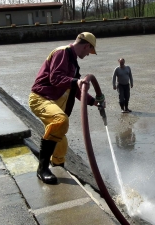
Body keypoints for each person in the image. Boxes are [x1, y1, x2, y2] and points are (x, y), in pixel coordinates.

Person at [28, 32, 104, 184]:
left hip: (53, 104)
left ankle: (58, 168)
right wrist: (76, 81)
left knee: (61, 143)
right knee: (60, 120)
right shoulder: (62, 52)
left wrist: (93, 101)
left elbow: (75, 89)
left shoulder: (73, 63)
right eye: (90, 50)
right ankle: (42, 169)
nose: (89, 54)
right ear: (87, 45)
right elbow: (55, 78)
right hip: (41, 99)